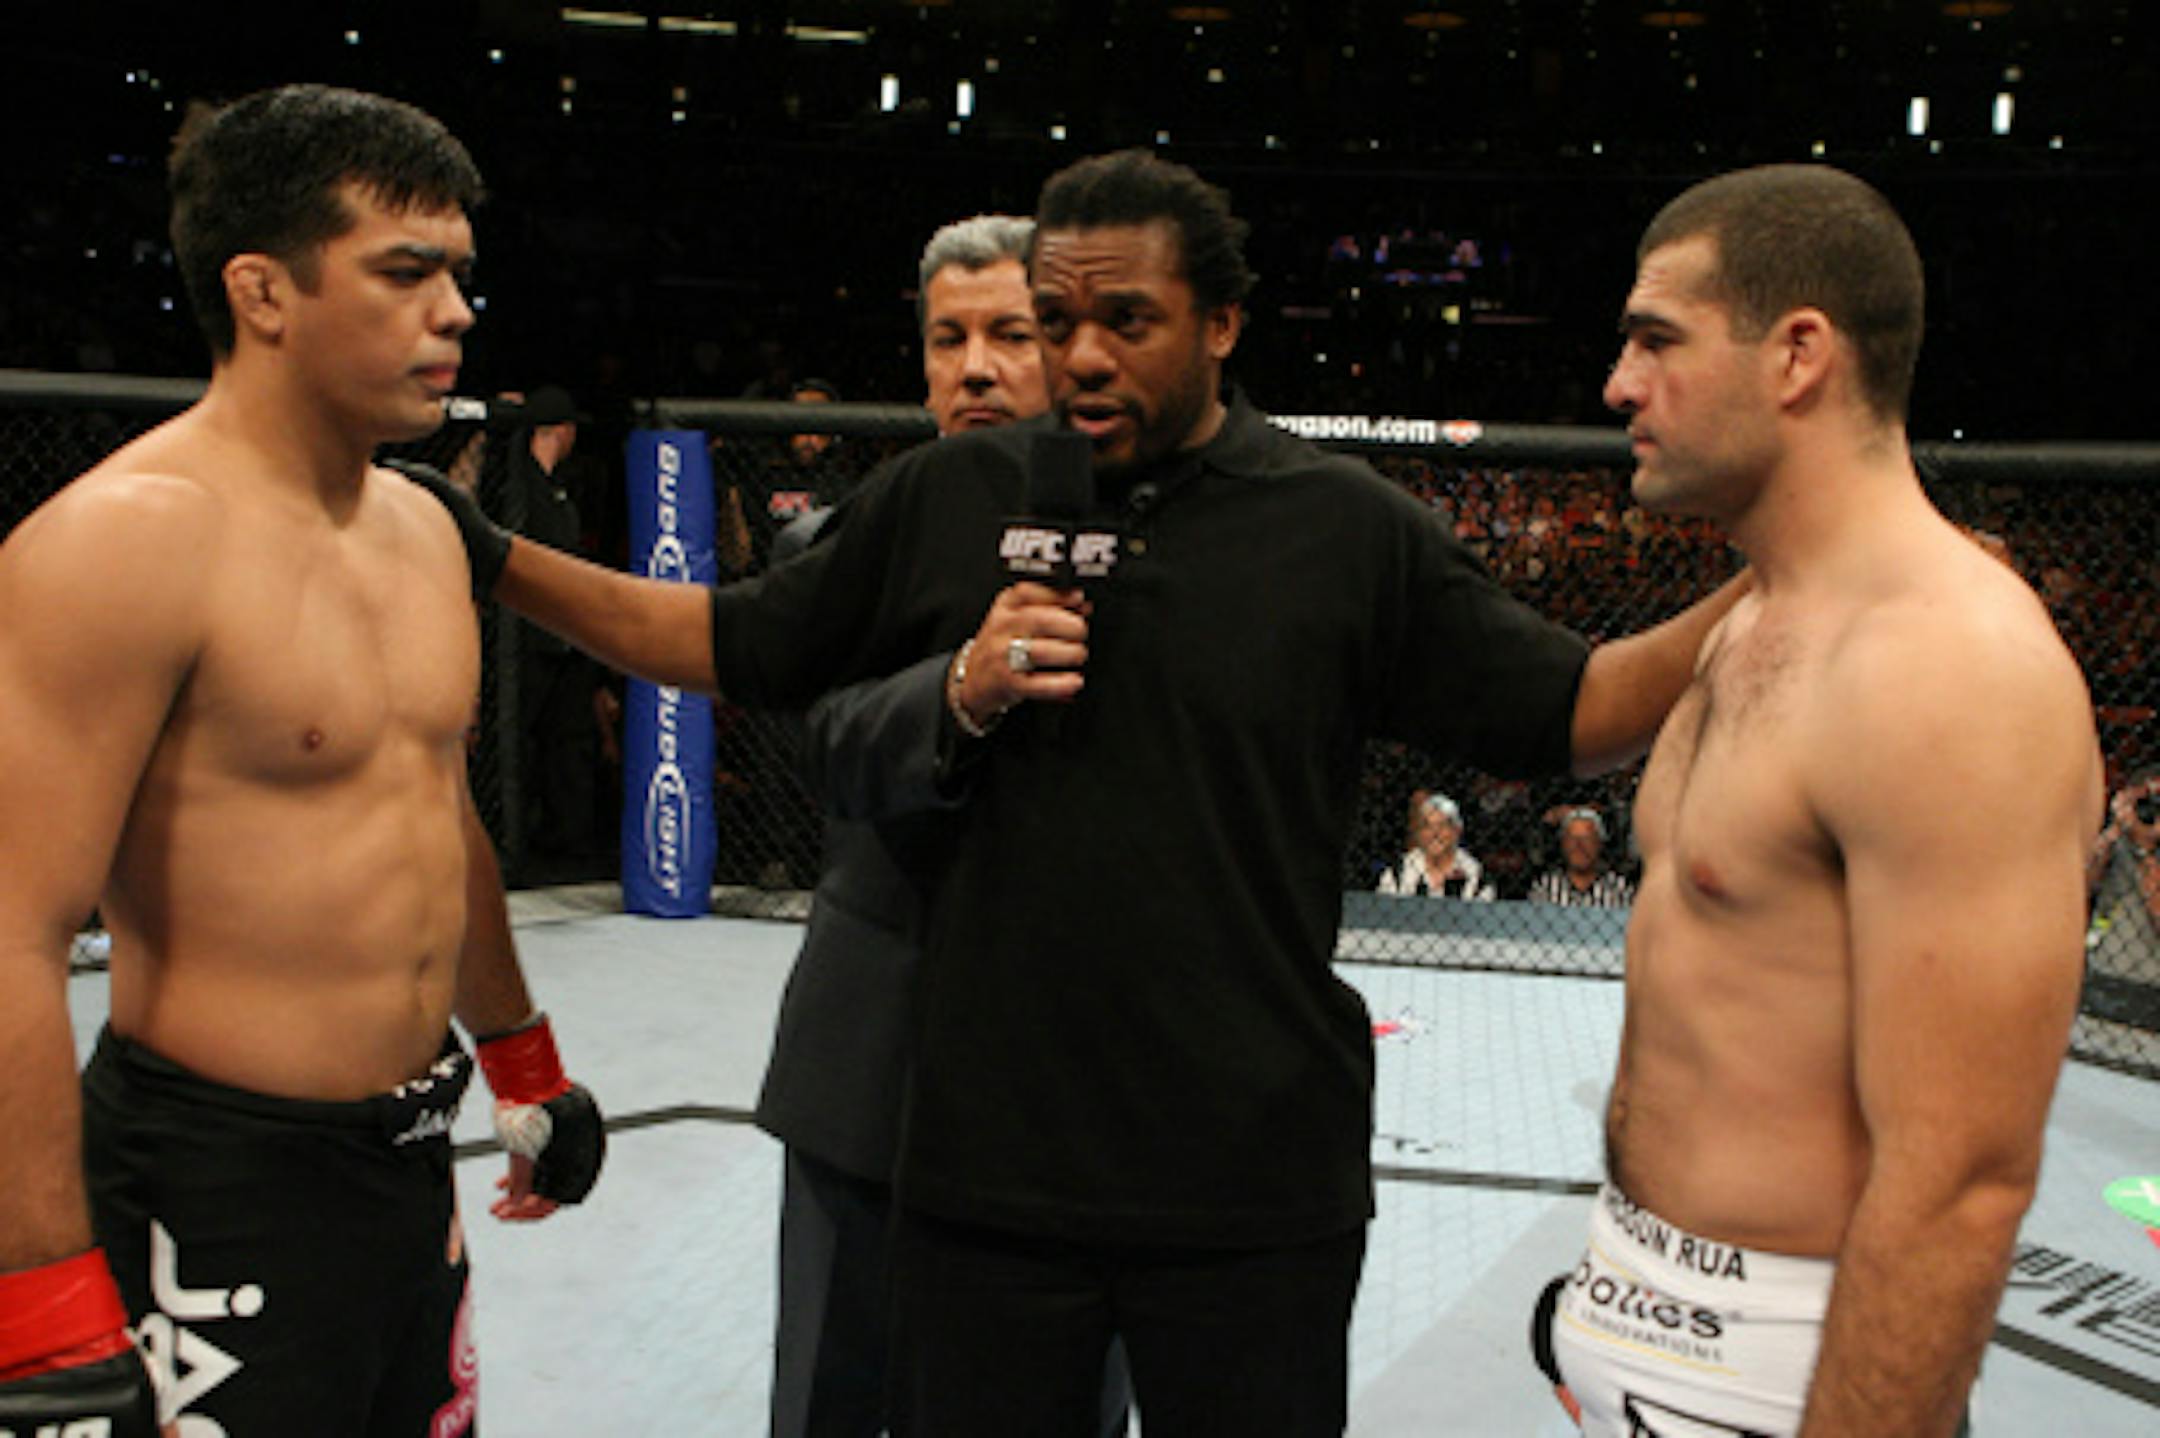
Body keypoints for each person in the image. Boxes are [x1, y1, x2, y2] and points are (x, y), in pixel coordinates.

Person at [419, 147, 1745, 1435]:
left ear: (1223, 322)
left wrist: (1790, 563)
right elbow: (722, 640)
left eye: (1128, 319)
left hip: (1247, 1189)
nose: (1084, 355)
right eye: (1058, 320)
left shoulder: (1339, 528)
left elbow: (1574, 710)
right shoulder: (951, 495)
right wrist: (489, 555)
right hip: (983, 1184)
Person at [0, 84, 604, 1436]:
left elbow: (432, 819)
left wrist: (524, 1064)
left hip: (403, 1166)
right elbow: (7, 927)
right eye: (405, 271)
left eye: (458, 270)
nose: (453, 309)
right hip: (210, 1181)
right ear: (263, 291)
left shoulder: (424, 529)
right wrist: (36, 1302)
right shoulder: (125, 540)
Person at [1531, 164, 2101, 1437]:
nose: (1620, 386)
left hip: (1792, 1369)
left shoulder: (1947, 667)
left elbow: (1959, 1180)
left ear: (1798, 356)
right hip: (1639, 1302)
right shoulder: (1759, 620)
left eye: (1657, 340)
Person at [757, 213, 1128, 1437]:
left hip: (1082, 1076)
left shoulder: (1168, 547)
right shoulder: (841, 543)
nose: (975, 368)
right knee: (833, 1398)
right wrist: (961, 689)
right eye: (947, 339)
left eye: (1009, 335)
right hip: (877, 1061)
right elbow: (823, 747)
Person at [2086, 768, 2160, 1014]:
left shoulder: (2142, 847)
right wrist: (2117, 827)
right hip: (2104, 974)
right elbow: (2082, 884)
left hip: (2151, 990)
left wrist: (2145, 850)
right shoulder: (2125, 837)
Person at [1376, 790, 1494, 900]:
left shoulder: (1477, 876)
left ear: (1456, 831)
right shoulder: (1397, 873)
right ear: (1419, 833)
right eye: (1427, 826)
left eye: (1442, 825)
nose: (1434, 834)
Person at [1526, 807, 1633, 907]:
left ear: (1599, 844)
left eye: (1587, 839)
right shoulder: (1545, 888)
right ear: (1563, 844)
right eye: (1572, 838)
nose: (1579, 845)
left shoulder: (1619, 889)